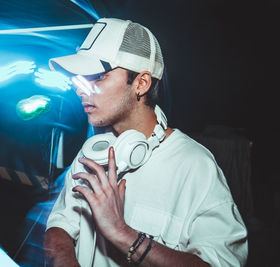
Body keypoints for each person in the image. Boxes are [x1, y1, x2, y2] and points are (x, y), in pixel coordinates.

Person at [44, 18, 248, 267]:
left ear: (141, 83)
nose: (81, 89)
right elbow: (59, 225)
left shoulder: (195, 166)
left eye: (99, 77)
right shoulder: (93, 153)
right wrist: (65, 258)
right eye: (82, 78)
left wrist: (121, 232)